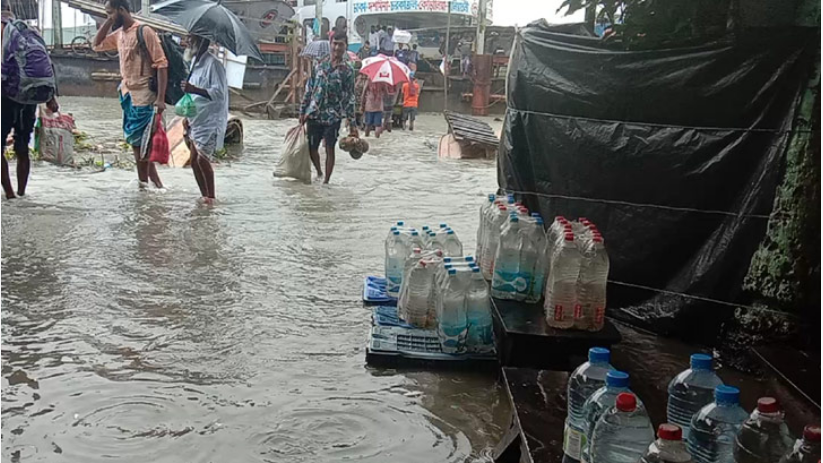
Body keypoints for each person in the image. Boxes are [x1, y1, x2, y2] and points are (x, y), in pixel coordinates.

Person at [93, 0, 168, 190]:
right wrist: (109, 22)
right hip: (127, 94)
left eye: (111, 13)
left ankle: (144, 185)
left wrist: (160, 99)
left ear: (122, 10)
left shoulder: (144, 31)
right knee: (136, 143)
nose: (108, 17)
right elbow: (97, 44)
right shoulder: (119, 35)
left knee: (141, 143)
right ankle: (154, 185)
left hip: (144, 95)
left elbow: (161, 64)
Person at [1, 1, 59, 199]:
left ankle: (9, 196)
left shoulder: (3, 31)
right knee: (22, 145)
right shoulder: (28, 30)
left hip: (7, 95)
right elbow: (48, 63)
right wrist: (51, 97)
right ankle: (22, 194)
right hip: (30, 95)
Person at [300, 30, 358, 184]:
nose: (337, 47)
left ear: (346, 47)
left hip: (333, 115)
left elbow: (350, 97)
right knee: (312, 148)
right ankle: (318, 171)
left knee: (330, 148)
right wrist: (303, 111)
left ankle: (326, 181)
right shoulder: (319, 64)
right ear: (330, 44)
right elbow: (309, 88)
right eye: (335, 44)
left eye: (341, 44)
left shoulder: (348, 70)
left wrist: (352, 123)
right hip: (314, 113)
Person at [179, 34, 227, 205]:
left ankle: (211, 198)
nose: (188, 42)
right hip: (195, 118)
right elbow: (192, 93)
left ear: (200, 43)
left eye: (191, 39)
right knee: (193, 160)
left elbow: (219, 93)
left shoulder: (214, 65)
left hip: (209, 121)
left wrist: (195, 89)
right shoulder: (194, 64)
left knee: (202, 159)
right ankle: (204, 195)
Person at [353, 63, 367, 131]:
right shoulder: (358, 78)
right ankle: (358, 125)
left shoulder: (367, 79)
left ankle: (362, 125)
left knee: (362, 112)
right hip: (358, 98)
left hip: (364, 99)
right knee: (357, 113)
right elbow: (355, 88)